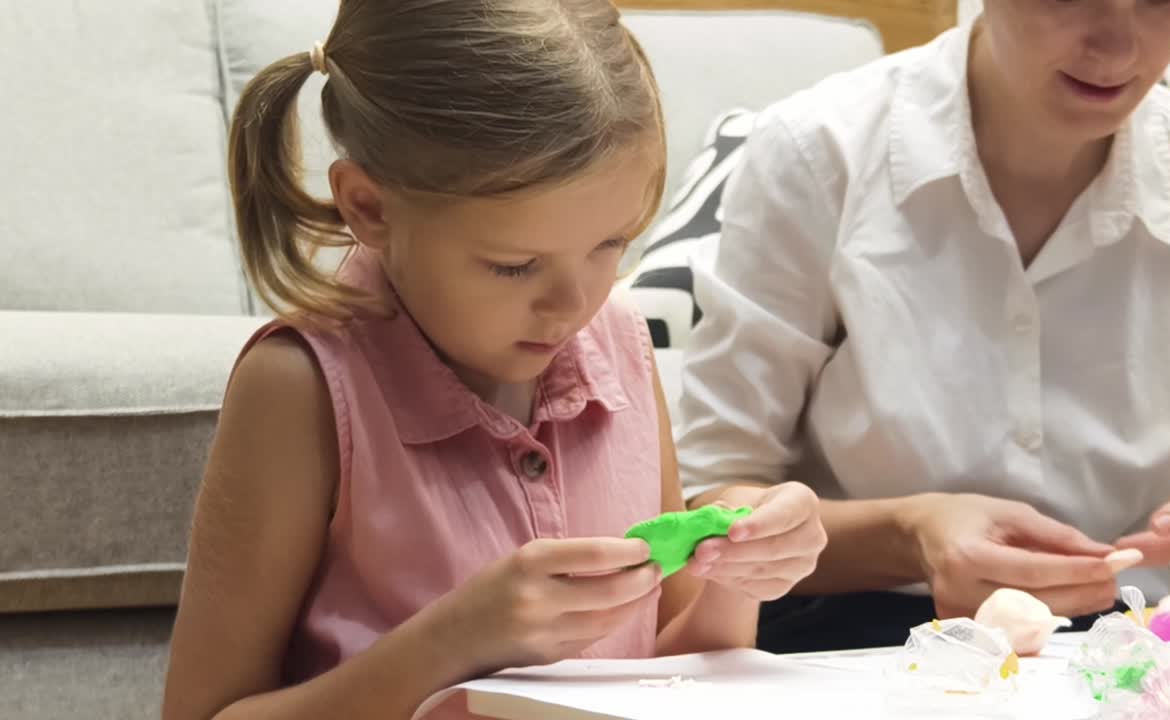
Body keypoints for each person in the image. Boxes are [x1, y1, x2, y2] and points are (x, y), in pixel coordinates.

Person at [161, 2, 827, 718]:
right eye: (515, 266)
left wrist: (739, 572)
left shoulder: (620, 341)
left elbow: (674, 674)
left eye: (612, 245)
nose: (573, 306)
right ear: (370, 208)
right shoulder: (301, 386)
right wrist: (450, 643)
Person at [677, 0, 1170, 653]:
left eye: (1162, 0)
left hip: (1140, 635)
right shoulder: (817, 151)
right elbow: (710, 504)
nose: (1117, 50)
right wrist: (909, 534)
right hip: (849, 634)